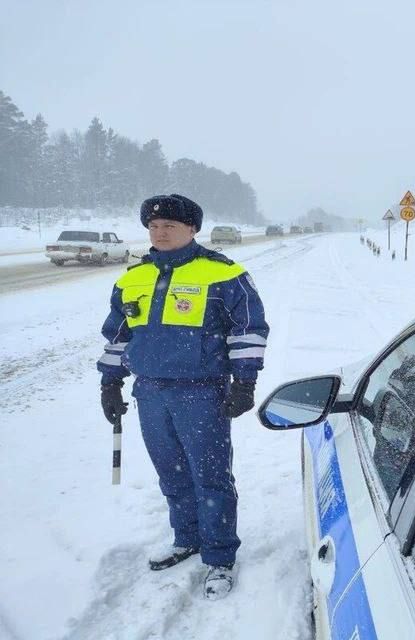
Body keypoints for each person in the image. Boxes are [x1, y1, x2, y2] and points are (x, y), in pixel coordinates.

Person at [97, 194, 269, 600]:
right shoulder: (131, 279)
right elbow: (119, 335)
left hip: (202, 393)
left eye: (170, 226)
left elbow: (248, 329)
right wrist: (110, 382)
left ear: (192, 229)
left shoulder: (223, 274)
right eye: (154, 227)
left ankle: (220, 556)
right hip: (151, 393)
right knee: (172, 473)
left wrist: (244, 383)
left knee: (211, 476)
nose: (160, 232)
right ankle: (187, 537)